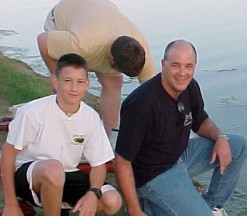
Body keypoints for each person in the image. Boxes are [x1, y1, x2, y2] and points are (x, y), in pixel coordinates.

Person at [114, 40, 247, 216]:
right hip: (153, 174)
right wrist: (134, 213)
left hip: (181, 156)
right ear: (163, 65)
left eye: (189, 66)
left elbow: (200, 120)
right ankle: (147, 205)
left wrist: (220, 137)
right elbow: (122, 162)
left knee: (238, 144)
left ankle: (213, 207)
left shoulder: (190, 87)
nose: (182, 73)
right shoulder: (141, 104)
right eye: (175, 65)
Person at [0, 53, 122, 216]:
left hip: (63, 175)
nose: (74, 88)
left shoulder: (90, 117)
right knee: (53, 168)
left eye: (80, 82)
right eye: (67, 81)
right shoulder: (33, 112)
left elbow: (99, 164)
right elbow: (7, 156)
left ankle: (58, 212)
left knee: (112, 202)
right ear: (55, 82)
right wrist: (10, 203)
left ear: (87, 85)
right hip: (28, 175)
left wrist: (93, 193)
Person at [37, 0, 157, 134]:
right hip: (62, 19)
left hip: (98, 14)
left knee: (114, 82)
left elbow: (154, 91)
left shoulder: (140, 50)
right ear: (111, 59)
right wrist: (56, 75)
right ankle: (59, 132)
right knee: (69, 82)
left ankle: (109, 134)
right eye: (120, 70)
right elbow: (42, 40)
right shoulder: (81, 44)